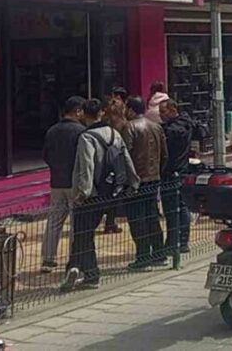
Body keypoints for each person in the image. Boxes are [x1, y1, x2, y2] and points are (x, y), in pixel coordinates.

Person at [62, 99, 139, 291]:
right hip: (112, 191)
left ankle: (89, 273)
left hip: (93, 194)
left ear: (83, 114)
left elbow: (86, 166)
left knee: (83, 233)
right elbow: (126, 158)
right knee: (83, 233)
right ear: (100, 113)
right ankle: (74, 267)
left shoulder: (86, 137)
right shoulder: (114, 133)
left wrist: (82, 193)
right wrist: (133, 182)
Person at [40, 95, 86, 273]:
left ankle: (48, 259)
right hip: (74, 182)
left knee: (54, 221)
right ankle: (74, 260)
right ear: (78, 111)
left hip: (56, 181)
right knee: (76, 223)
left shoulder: (52, 131)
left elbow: (46, 155)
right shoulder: (81, 131)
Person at [121, 96, 168, 270]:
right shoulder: (156, 127)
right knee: (152, 216)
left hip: (136, 181)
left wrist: (126, 180)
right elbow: (164, 154)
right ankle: (159, 253)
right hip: (153, 178)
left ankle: (143, 257)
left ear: (131, 110)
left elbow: (125, 156)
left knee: (137, 219)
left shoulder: (129, 127)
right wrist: (158, 172)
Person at [160, 99, 196, 255]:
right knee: (180, 207)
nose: (161, 115)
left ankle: (176, 242)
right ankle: (179, 241)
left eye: (163, 111)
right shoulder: (185, 124)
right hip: (180, 170)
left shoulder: (174, 129)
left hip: (174, 172)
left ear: (173, 110)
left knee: (174, 208)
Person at [101, 87, 130, 234]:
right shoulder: (124, 124)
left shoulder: (103, 123)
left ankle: (104, 221)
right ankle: (110, 222)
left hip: (102, 161)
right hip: (117, 163)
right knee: (115, 193)